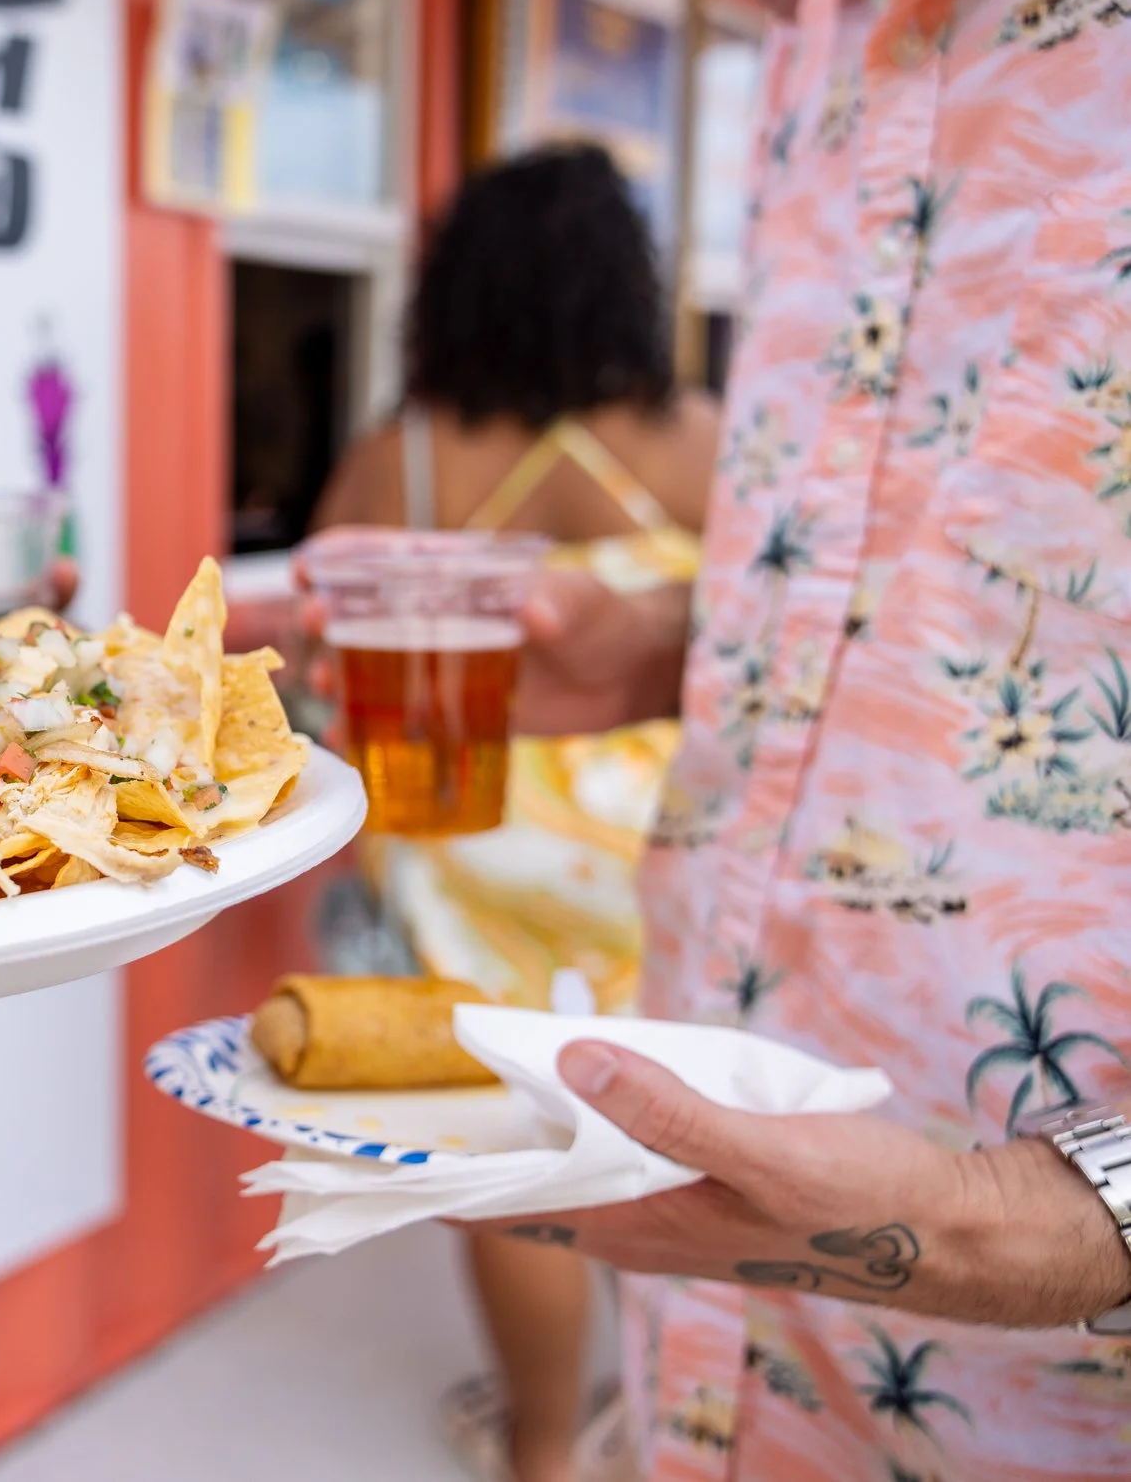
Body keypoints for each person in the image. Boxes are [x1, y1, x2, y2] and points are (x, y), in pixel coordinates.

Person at [329, 0, 1131, 1477]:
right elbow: (914, 565)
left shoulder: (397, 445)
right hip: (636, 949)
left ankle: (535, 1440)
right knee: (571, 1141)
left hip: (1033, 1401)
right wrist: (691, 633)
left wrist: (1042, 1214)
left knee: (517, 1140)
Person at [308, 145, 720, 1482]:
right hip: (652, 849)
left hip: (462, 841)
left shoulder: (401, 458)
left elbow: (324, 660)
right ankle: (675, 1435)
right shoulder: (700, 442)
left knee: (517, 1167)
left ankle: (544, 1451)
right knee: (683, 1145)